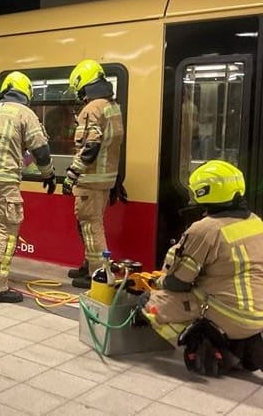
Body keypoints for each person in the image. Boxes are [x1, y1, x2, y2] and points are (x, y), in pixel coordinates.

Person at [140, 160, 263, 373]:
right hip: (258, 315)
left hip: (229, 316)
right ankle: (239, 344)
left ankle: (206, 343)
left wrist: (157, 281)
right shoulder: (255, 221)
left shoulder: (204, 229)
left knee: (149, 304)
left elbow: (178, 283)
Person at [0, 71, 56, 303]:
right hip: (5, 181)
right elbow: (41, 150)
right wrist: (49, 175)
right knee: (6, 233)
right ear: (26, 92)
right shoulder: (25, 113)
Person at [63, 60, 125, 288]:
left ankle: (97, 276)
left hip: (89, 181)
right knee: (88, 226)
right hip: (105, 180)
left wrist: (71, 175)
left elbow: (90, 147)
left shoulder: (92, 109)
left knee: (91, 227)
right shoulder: (112, 106)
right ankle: (88, 266)